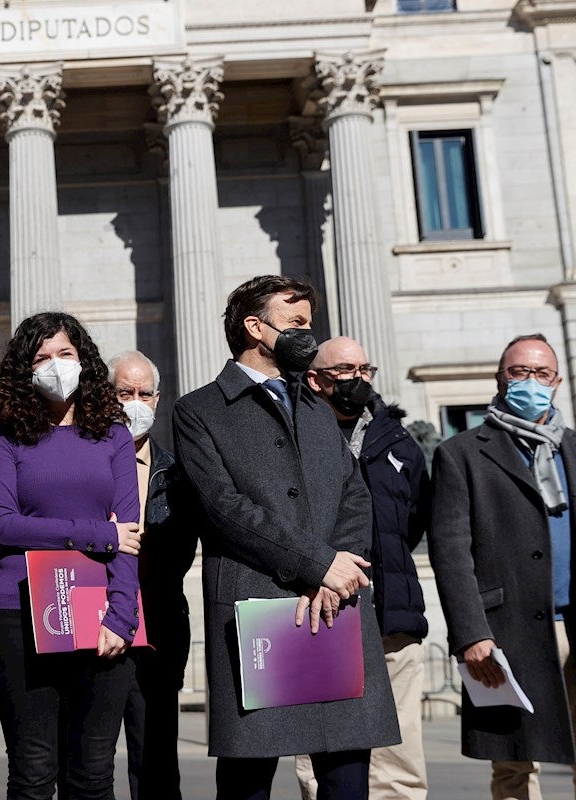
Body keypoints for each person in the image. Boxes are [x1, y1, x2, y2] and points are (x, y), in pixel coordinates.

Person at [171, 275, 399, 800]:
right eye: (296, 324)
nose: (309, 336)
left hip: (335, 608)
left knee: (346, 775)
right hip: (259, 612)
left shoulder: (319, 407)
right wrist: (318, 564)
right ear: (256, 328)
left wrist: (338, 572)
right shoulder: (199, 410)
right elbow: (223, 508)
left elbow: (354, 495)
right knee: (249, 781)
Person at [428, 333, 576, 800]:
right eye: (519, 372)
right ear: (500, 377)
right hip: (505, 635)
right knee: (513, 768)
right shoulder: (462, 453)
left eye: (541, 373)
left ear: (558, 381)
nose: (531, 382)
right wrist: (471, 633)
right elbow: (450, 551)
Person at [0, 311, 142, 800]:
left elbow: (130, 535)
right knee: (32, 773)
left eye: (65, 354)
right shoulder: (4, 438)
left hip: (101, 618)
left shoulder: (114, 436)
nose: (55, 365)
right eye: (42, 358)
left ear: (84, 361)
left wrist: (121, 616)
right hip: (20, 614)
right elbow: (3, 523)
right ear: (23, 372)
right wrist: (95, 533)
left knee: (92, 775)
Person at [297, 336, 432, 800]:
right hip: (322, 615)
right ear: (315, 380)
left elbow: (414, 520)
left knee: (400, 760)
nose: (359, 379)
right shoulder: (292, 437)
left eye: (364, 368)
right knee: (323, 762)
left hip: (393, 616)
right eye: (345, 370)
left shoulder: (400, 442)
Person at [107, 350, 198, 800]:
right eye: (125, 392)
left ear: (158, 400)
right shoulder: (86, 468)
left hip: (158, 630)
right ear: (108, 396)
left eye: (144, 393)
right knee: (88, 761)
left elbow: (180, 552)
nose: (135, 402)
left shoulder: (178, 474)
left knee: (156, 764)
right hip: (95, 627)